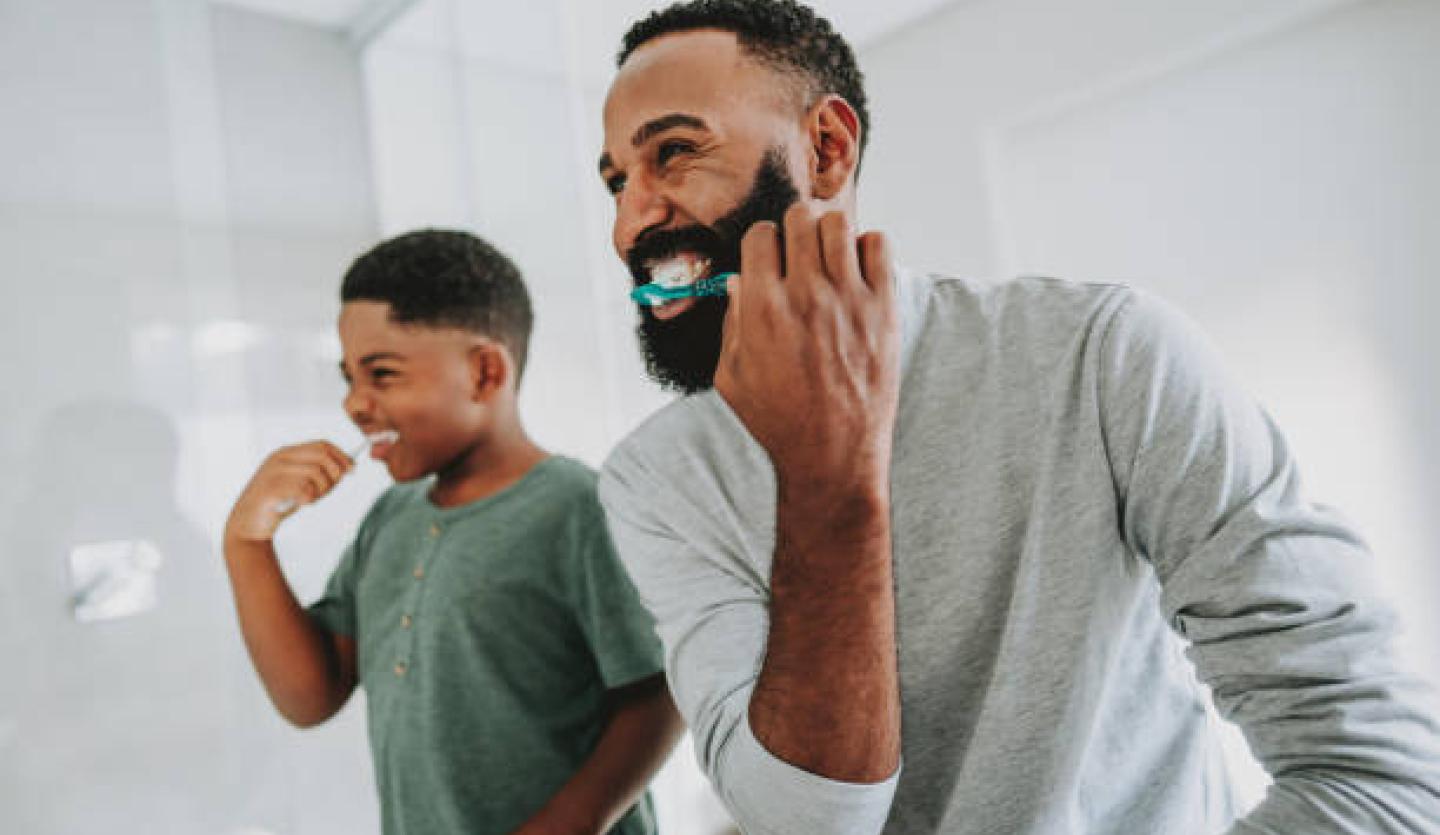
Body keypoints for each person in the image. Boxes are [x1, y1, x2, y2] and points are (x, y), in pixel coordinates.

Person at [591, 2, 1440, 833]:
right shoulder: (654, 477)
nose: (632, 220)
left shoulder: (1107, 357)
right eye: (618, 181)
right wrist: (830, 476)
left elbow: (1380, 780)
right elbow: (808, 823)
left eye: (675, 152)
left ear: (826, 149)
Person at [222, 229, 683, 834]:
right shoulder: (390, 516)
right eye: (348, 379)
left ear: (485, 372)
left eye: (381, 374)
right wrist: (246, 542)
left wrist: (570, 822)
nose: (354, 406)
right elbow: (311, 697)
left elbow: (658, 692)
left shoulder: (580, 508)